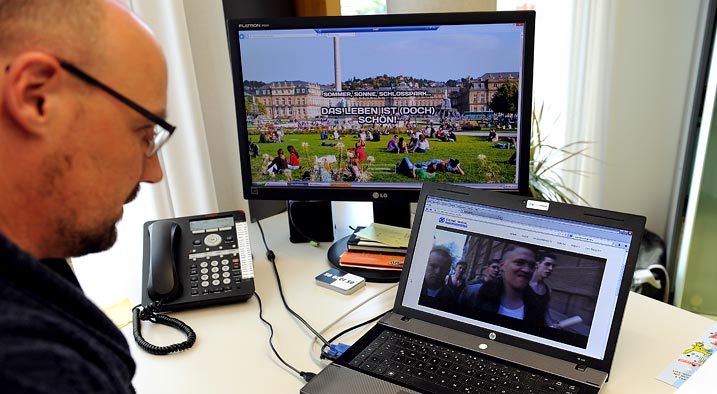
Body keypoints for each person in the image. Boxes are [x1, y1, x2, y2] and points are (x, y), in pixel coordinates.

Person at [0, 1, 170, 392]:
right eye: (143, 133)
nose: (154, 172)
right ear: (36, 97)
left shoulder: (36, 267)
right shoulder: (36, 369)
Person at [459, 245, 548, 325]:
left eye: (531, 265)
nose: (527, 270)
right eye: (519, 262)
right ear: (502, 266)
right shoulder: (473, 293)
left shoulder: (536, 307)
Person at [418, 246, 459, 311]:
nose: (437, 272)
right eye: (433, 266)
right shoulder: (413, 287)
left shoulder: (451, 298)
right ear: (425, 265)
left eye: (443, 268)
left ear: (448, 271)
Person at [529, 252, 559, 327]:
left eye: (553, 266)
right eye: (547, 264)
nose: (551, 269)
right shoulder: (523, 284)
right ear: (537, 265)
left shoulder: (548, 290)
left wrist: (552, 324)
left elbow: (545, 311)